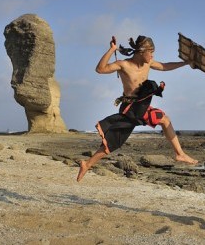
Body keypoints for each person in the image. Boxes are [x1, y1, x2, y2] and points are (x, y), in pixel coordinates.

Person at [76, 35, 198, 182]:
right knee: (160, 121)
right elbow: (100, 69)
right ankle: (180, 154)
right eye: (151, 52)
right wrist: (112, 49)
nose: (152, 56)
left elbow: (165, 66)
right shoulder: (124, 65)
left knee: (117, 140)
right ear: (141, 51)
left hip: (140, 107)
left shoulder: (148, 63)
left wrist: (186, 63)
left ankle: (87, 164)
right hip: (131, 108)